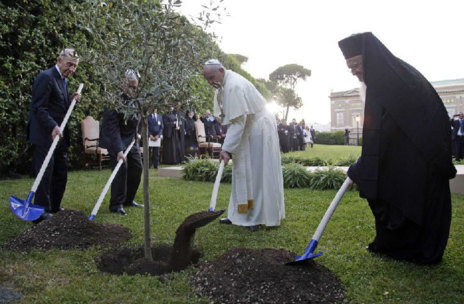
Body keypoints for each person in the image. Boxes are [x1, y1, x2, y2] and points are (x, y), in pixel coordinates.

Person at [339, 32, 456, 264]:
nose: (353, 71)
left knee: (409, 199)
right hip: (408, 154)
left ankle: (415, 249)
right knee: (392, 192)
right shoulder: (387, 77)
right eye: (349, 67)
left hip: (422, 156)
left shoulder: (389, 82)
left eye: (355, 65)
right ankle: (395, 245)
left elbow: (382, 134)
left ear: (369, 58)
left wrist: (360, 166)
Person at [202, 59, 285, 231]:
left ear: (222, 70)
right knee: (241, 172)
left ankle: (256, 217)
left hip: (258, 130)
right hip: (248, 127)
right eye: (207, 79)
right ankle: (239, 213)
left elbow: (238, 122)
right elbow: (235, 120)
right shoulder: (225, 84)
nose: (211, 82)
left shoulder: (234, 86)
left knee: (255, 174)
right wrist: (228, 148)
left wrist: (226, 149)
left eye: (212, 77)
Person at [27, 48, 81, 222]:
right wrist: (52, 126)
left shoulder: (63, 80)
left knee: (60, 173)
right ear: (59, 60)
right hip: (44, 135)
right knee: (45, 173)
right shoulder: (46, 77)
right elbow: (39, 108)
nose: (72, 69)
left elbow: (59, 108)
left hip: (58, 137)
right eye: (69, 64)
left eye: (75, 66)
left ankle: (55, 206)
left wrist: (71, 101)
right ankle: (41, 211)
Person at [100, 69, 144, 216]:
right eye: (131, 87)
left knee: (137, 168)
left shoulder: (137, 99)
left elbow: (141, 117)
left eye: (135, 87)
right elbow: (112, 127)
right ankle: (116, 204)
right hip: (116, 139)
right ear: (123, 84)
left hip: (131, 139)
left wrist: (138, 132)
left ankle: (128, 199)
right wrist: (119, 150)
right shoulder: (114, 100)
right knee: (121, 169)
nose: (134, 90)